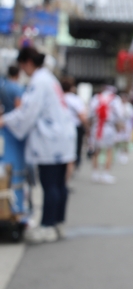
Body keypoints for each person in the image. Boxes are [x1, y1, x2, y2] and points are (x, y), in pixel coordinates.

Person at [0, 47, 76, 243]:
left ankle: (47, 226)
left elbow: (27, 113)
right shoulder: (49, 78)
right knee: (60, 184)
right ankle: (58, 223)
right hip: (62, 137)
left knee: (50, 184)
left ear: (27, 63)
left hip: (50, 139)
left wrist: (5, 120)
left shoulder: (39, 82)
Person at [0, 65, 27, 215]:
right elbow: (20, 110)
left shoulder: (3, 86)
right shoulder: (17, 89)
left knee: (4, 168)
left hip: (4, 130)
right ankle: (16, 208)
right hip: (15, 133)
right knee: (16, 172)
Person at [88, 85, 122, 184]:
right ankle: (106, 174)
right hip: (109, 127)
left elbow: (90, 113)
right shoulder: (115, 99)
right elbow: (119, 114)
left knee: (96, 150)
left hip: (97, 127)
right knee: (109, 150)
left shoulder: (96, 98)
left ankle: (95, 173)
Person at [61, 77, 87, 178]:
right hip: (74, 129)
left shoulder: (59, 98)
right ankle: (68, 175)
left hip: (60, 128)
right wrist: (87, 127)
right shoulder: (75, 99)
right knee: (72, 153)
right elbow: (82, 115)